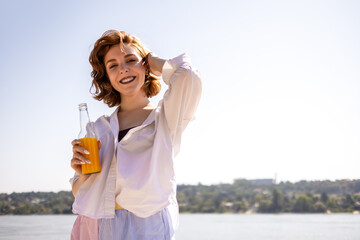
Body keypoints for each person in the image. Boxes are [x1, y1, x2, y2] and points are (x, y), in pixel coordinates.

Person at [69, 30, 202, 240]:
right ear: (107, 76)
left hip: (146, 227)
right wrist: (83, 174)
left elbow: (188, 76)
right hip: (93, 227)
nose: (123, 69)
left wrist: (154, 62)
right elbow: (80, 192)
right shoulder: (97, 129)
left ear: (145, 65)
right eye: (113, 65)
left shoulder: (166, 118)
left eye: (131, 60)